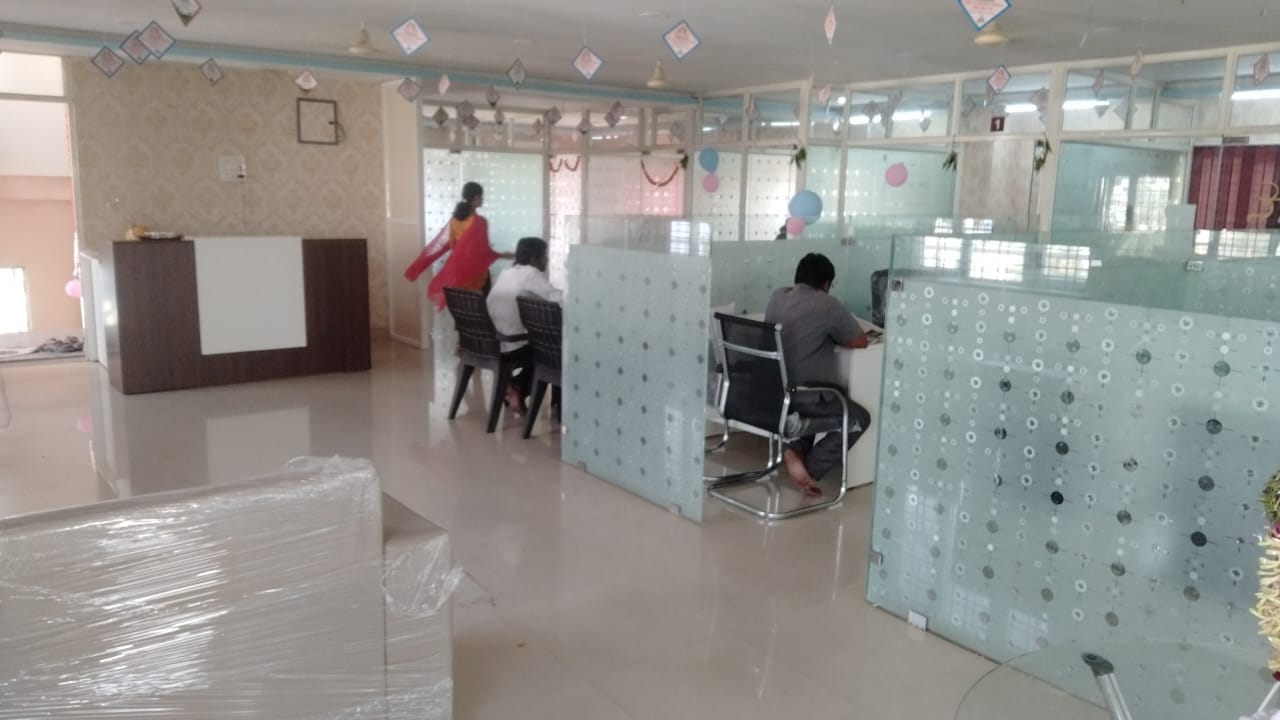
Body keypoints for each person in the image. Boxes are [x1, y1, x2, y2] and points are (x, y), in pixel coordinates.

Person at [763, 253, 872, 497]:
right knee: (858, 417)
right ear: (826, 284)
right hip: (804, 395)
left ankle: (793, 451)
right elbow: (859, 340)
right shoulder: (827, 304)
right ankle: (811, 469)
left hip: (774, 393)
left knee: (815, 407)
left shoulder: (778, 297)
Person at [404, 182, 513, 309]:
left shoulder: (455, 221)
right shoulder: (480, 222)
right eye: (481, 197)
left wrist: (416, 268)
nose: (482, 199)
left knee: (462, 311)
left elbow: (443, 246)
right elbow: (484, 252)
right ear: (475, 198)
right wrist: (503, 255)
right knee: (480, 311)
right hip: (476, 274)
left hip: (457, 273)